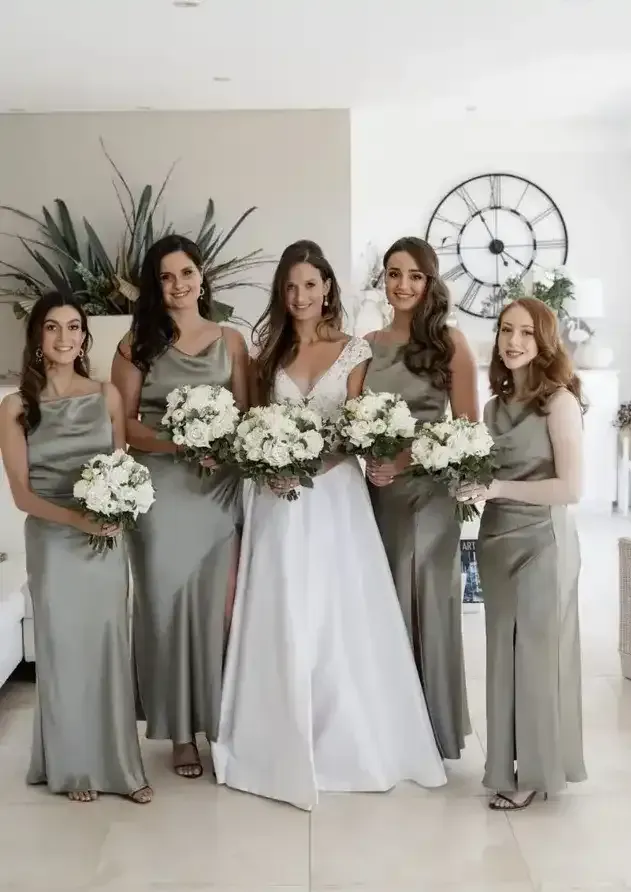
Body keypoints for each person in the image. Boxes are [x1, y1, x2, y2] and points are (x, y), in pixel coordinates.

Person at [212, 242, 446, 810]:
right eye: (290, 288)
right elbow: (248, 425)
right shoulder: (266, 353)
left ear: (327, 289)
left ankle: (346, 741)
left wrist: (316, 459)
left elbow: (358, 427)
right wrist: (271, 464)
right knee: (283, 608)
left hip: (336, 497)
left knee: (338, 613)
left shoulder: (353, 351)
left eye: (310, 286)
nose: (300, 298)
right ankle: (274, 739)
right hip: (277, 500)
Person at [0, 292, 151, 804]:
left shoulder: (107, 394)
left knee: (110, 647)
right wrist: (77, 517)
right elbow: (22, 494)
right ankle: (73, 769)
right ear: (37, 338)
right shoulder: (17, 406)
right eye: (52, 328)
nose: (64, 338)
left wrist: (115, 514)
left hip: (104, 539)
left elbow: (120, 470)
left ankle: (121, 767)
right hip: (52, 537)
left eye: (73, 327)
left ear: (85, 336)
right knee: (63, 650)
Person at [111, 235, 249, 779]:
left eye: (186, 272)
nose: (178, 285)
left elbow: (248, 413)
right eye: (165, 277)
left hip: (219, 490)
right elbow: (121, 424)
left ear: (201, 274)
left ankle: (219, 721)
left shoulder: (231, 341)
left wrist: (221, 445)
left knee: (217, 611)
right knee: (166, 608)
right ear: (155, 285)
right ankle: (180, 734)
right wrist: (176, 444)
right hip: (161, 493)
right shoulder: (135, 344)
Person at [457, 297, 587, 809]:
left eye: (527, 333)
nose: (513, 342)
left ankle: (535, 771)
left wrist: (496, 487)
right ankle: (505, 764)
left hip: (543, 543)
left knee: (535, 656)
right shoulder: (493, 407)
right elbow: (487, 478)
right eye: (506, 330)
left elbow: (571, 489)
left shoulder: (559, 402)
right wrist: (468, 485)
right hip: (495, 540)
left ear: (545, 342)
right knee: (501, 657)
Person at [364, 237, 478, 759]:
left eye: (413, 275)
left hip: (429, 493)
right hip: (377, 495)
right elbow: (355, 422)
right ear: (383, 280)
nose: (402, 285)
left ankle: (434, 732)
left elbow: (469, 433)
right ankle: (393, 728)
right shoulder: (368, 343)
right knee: (385, 604)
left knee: (427, 602)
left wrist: (405, 460)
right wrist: (371, 461)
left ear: (430, 281)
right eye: (393, 273)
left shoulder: (451, 343)